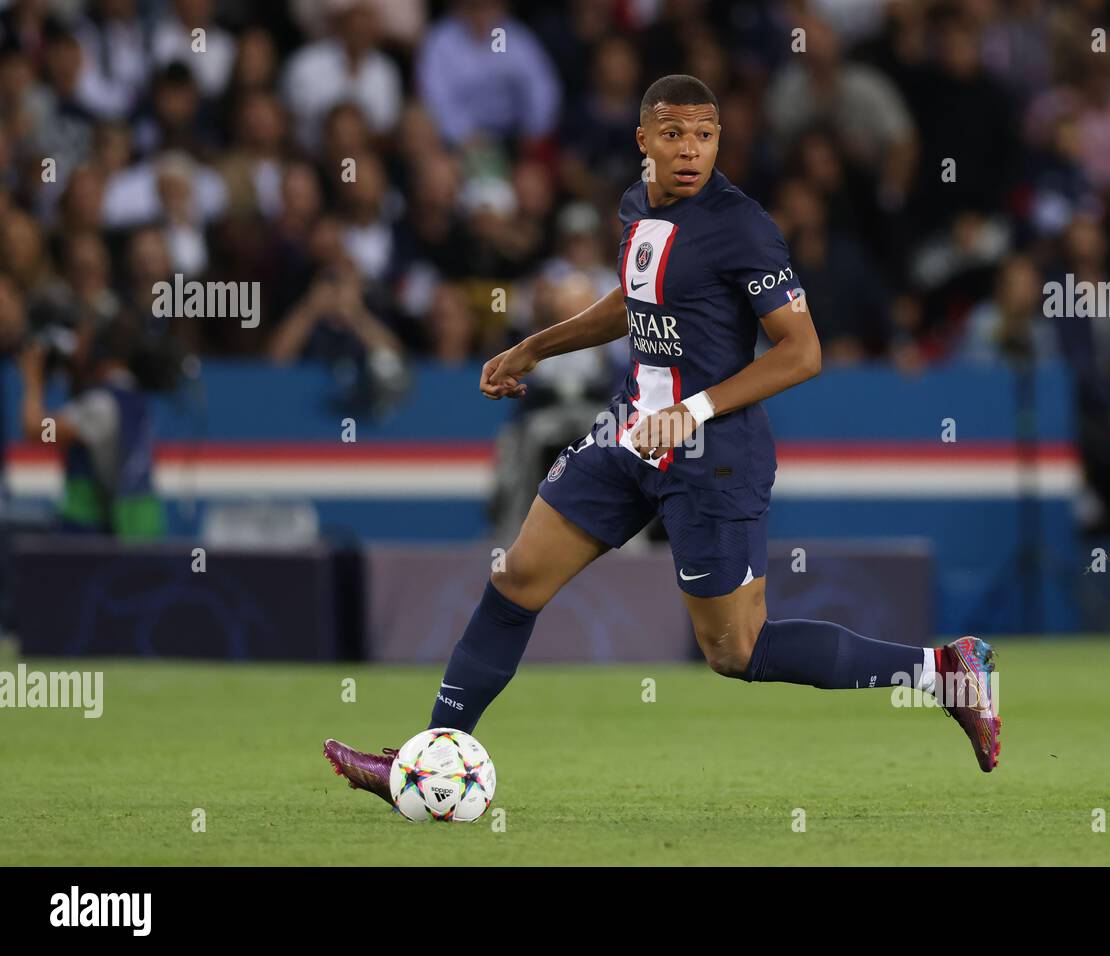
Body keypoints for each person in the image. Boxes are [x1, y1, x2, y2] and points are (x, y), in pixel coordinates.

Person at [324, 76, 1001, 804]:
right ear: (644, 140)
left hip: (712, 455)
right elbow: (634, 299)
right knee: (517, 578)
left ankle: (942, 671)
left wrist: (698, 409)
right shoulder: (636, 204)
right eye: (674, 134)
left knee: (737, 650)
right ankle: (426, 762)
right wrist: (535, 348)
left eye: (705, 136)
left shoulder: (743, 228)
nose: (690, 151)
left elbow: (802, 352)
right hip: (629, 431)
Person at [17, 317, 165, 538]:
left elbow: (37, 430)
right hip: (139, 525)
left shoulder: (101, 406)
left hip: (91, 530)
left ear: (99, 352)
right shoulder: (132, 396)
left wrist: (33, 381)